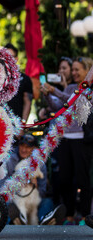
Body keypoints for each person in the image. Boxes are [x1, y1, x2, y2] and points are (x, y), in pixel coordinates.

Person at [41, 57, 93, 225]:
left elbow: (73, 101)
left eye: (78, 69)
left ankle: (85, 216)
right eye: (74, 70)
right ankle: (69, 214)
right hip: (65, 139)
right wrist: (48, 95)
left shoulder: (89, 89)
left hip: (81, 141)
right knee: (64, 179)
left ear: (87, 71)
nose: (74, 72)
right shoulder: (70, 87)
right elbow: (58, 107)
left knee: (82, 179)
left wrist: (55, 91)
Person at [0, 134, 65, 225]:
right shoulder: (9, 160)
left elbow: (43, 192)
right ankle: (14, 221)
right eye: (22, 146)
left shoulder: (40, 164)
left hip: (32, 201)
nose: (24, 150)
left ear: (35, 149)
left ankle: (44, 220)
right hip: (13, 199)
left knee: (47, 202)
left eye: (28, 147)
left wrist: (35, 185)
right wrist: (16, 185)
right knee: (8, 204)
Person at [5, 43, 33, 123]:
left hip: (16, 125)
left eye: (10, 57)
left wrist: (22, 125)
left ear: (16, 59)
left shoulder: (25, 79)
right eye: (5, 56)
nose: (7, 59)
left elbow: (27, 103)